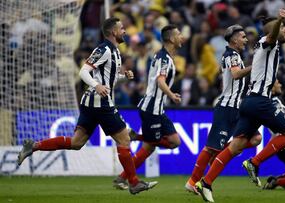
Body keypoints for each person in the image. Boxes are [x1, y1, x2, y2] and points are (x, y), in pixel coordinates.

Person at [17, 17, 157, 195]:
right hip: (99, 103)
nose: (124, 31)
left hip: (92, 103)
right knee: (124, 139)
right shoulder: (103, 49)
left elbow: (107, 79)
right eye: (122, 28)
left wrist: (123, 77)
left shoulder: (115, 52)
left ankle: (34, 146)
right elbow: (84, 71)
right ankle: (134, 182)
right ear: (113, 32)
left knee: (76, 143)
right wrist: (96, 86)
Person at [192, 25, 262, 202]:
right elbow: (236, 74)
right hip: (227, 107)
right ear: (234, 39)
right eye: (243, 37)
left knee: (256, 139)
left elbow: (226, 77)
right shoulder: (231, 55)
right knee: (210, 147)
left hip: (238, 108)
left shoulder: (234, 56)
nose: (246, 40)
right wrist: (255, 66)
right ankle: (193, 181)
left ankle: (222, 154)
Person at [113, 24, 183, 189]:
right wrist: (172, 95)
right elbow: (160, 81)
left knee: (169, 142)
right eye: (179, 34)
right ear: (172, 39)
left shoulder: (163, 56)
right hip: (151, 108)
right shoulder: (164, 58)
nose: (182, 37)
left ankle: (122, 178)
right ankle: (136, 138)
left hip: (157, 108)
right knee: (158, 142)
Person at [237, 9, 285, 187]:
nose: (284, 33)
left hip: (251, 100)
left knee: (238, 144)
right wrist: (281, 19)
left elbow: (282, 34)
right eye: (281, 29)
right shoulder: (267, 42)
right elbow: (275, 35)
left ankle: (205, 180)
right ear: (274, 31)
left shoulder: (270, 42)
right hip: (261, 100)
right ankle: (254, 162)